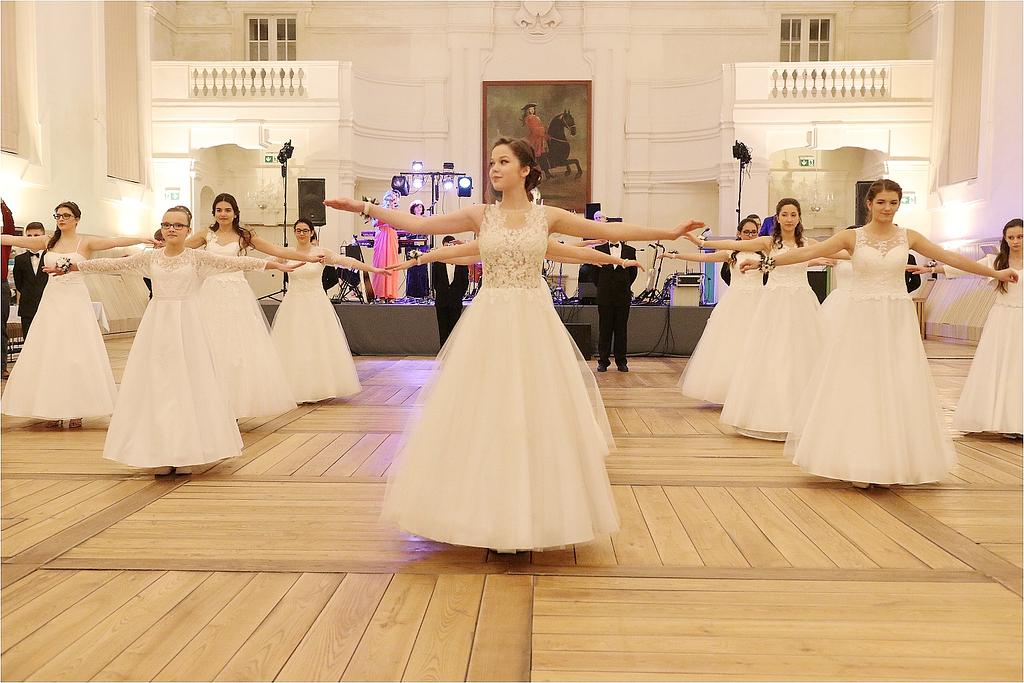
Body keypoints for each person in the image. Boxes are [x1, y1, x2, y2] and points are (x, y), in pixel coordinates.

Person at [324, 136, 700, 551]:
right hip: (490, 319)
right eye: (491, 162)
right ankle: (480, 513)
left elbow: (608, 230)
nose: (494, 169)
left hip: (533, 320)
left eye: (503, 161)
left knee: (533, 410)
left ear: (525, 170)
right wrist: (364, 208)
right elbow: (421, 225)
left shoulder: (548, 217)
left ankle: (531, 515)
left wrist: (669, 232)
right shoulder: (480, 214)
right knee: (484, 408)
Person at [731, 180, 1017, 486]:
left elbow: (950, 257)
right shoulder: (851, 237)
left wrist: (993, 272)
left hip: (896, 318)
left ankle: (894, 459)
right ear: (869, 204)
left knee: (898, 380)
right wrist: (767, 262)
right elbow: (808, 252)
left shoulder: (909, 236)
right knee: (861, 381)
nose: (887, 208)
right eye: (881, 202)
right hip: (861, 318)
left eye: (893, 202)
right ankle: (858, 459)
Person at [48, 206, 300, 475]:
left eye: (178, 225)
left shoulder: (197, 258)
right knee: (158, 385)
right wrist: (73, 266)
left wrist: (273, 264)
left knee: (189, 384)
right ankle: (160, 451)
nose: (171, 229)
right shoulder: (151, 258)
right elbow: (112, 264)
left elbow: (237, 263)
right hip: (157, 327)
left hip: (189, 327)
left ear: (188, 230)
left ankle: (187, 451)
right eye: (167, 224)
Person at [1, 201, 156, 428]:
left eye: (66, 215)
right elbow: (11, 239)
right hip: (52, 302)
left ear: (76, 219)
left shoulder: (86, 241)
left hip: (75, 301)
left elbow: (114, 241)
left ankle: (78, 408)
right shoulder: (47, 241)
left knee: (77, 352)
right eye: (58, 215)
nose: (61, 219)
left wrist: (142, 239)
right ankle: (51, 408)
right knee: (50, 352)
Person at [686, 198, 832, 440]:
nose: (789, 219)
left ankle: (807, 414)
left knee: (803, 352)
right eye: (784, 214)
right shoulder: (768, 242)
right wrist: (703, 242)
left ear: (799, 217)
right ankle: (770, 413)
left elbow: (837, 251)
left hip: (802, 302)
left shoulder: (807, 243)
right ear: (777, 218)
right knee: (772, 352)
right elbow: (735, 244)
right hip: (774, 302)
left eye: (793, 214)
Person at [183, 192, 320, 419]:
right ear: (213, 213)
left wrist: (306, 257)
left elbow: (275, 250)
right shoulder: (206, 235)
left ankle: (235, 404)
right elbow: (180, 248)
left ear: (235, 213)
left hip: (236, 294)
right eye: (219, 210)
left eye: (227, 210)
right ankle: (210, 403)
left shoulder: (244, 236)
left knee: (237, 347)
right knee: (209, 344)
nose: (223, 214)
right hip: (210, 293)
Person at [913, 218, 1022, 437]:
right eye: (1011, 237)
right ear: (1005, 239)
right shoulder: (996, 261)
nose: (1015, 241)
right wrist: (930, 269)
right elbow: (961, 268)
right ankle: (1003, 421)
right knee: (1002, 366)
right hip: (1003, 318)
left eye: (1020, 236)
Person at [270, 218, 389, 403]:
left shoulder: (321, 252)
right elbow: (267, 262)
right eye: (298, 230)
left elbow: (347, 261)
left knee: (318, 343)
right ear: (294, 232)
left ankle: (319, 387)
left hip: (316, 304)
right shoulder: (288, 253)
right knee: (293, 343)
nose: (301, 234)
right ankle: (292, 388)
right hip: (293, 303)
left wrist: (373, 269)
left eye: (305, 230)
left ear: (311, 232)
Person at [659, 217, 764, 403]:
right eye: (746, 232)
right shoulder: (731, 253)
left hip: (759, 301)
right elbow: (703, 257)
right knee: (732, 344)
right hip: (736, 302)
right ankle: (728, 389)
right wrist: (675, 256)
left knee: (757, 344)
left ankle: (755, 390)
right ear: (739, 233)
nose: (750, 235)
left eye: (754, 232)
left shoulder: (764, 253)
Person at [594, 239, 638, 372]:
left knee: (621, 330)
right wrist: (602, 286)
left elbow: (633, 273)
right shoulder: (599, 249)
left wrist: (624, 285)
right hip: (605, 295)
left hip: (623, 295)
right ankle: (603, 361)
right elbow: (594, 273)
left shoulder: (630, 250)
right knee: (604, 329)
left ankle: (621, 361)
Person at [431, 235, 470, 348]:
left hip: (455, 301)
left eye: (451, 245)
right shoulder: (438, 262)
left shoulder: (461, 262)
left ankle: (454, 352)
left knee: (455, 330)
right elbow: (435, 282)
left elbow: (465, 282)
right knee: (442, 329)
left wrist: (458, 295)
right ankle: (443, 352)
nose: (448, 248)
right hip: (441, 301)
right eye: (446, 245)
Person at [12, 222, 48, 338]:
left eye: (36, 235)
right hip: (27, 308)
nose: (32, 239)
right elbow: (19, 283)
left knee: (48, 341)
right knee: (28, 340)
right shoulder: (19, 259)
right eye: (29, 236)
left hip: (48, 306)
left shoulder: (51, 257)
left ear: (43, 236)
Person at [370, 190, 401, 302]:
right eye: (388, 199)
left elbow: (398, 224)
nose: (390, 202)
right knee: (380, 262)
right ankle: (380, 294)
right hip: (381, 234)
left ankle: (391, 294)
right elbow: (374, 223)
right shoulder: (379, 210)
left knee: (392, 263)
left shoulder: (396, 211)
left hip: (391, 235)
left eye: (392, 200)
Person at [1, 200, 15, 379]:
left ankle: (1, 367)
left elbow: (10, 226)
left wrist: (2, 205)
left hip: (1, 286)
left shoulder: (3, 241)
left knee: (0, 329)